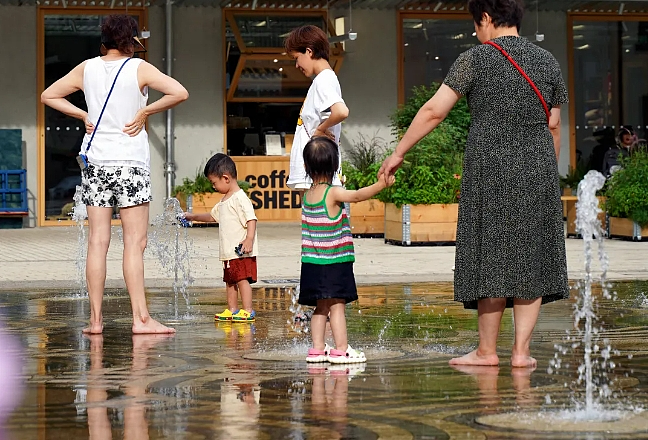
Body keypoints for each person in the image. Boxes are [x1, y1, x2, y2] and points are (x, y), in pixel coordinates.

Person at [380, 0, 569, 368]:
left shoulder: (476, 59)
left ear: (485, 18)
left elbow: (435, 110)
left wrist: (399, 151)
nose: (474, 31)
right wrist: (548, 173)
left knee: (492, 255)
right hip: (538, 169)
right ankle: (521, 354)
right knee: (529, 259)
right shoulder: (548, 62)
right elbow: (554, 124)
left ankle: (486, 352)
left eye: (475, 23)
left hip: (490, 168)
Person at [41, 14, 188, 334]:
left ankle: (95, 321)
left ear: (104, 41)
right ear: (131, 42)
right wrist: (145, 110)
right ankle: (141, 320)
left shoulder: (87, 68)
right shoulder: (140, 68)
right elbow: (179, 92)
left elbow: (48, 95)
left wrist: (83, 114)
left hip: (95, 163)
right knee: (135, 243)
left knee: (97, 241)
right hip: (130, 163)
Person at [301, 137, 394, 364]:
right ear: (334, 166)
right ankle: (341, 350)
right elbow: (357, 195)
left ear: (306, 167)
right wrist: (381, 185)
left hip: (312, 264)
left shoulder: (307, 195)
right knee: (337, 305)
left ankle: (316, 350)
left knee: (320, 307)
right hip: (335, 262)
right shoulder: (332, 192)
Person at [183, 154, 259, 322]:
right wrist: (192, 216)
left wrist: (249, 239)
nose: (213, 186)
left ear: (225, 178)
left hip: (241, 250)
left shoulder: (240, 198)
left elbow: (251, 219)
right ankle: (232, 309)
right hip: (228, 252)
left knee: (241, 279)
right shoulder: (224, 200)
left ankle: (248, 310)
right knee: (230, 280)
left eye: (214, 182)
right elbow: (212, 216)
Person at [284, 25, 349, 190]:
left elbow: (341, 111)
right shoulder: (324, 79)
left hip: (316, 171)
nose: (297, 65)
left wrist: (320, 130)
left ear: (309, 51)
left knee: (315, 215)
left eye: (296, 58)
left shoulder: (323, 79)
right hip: (315, 170)